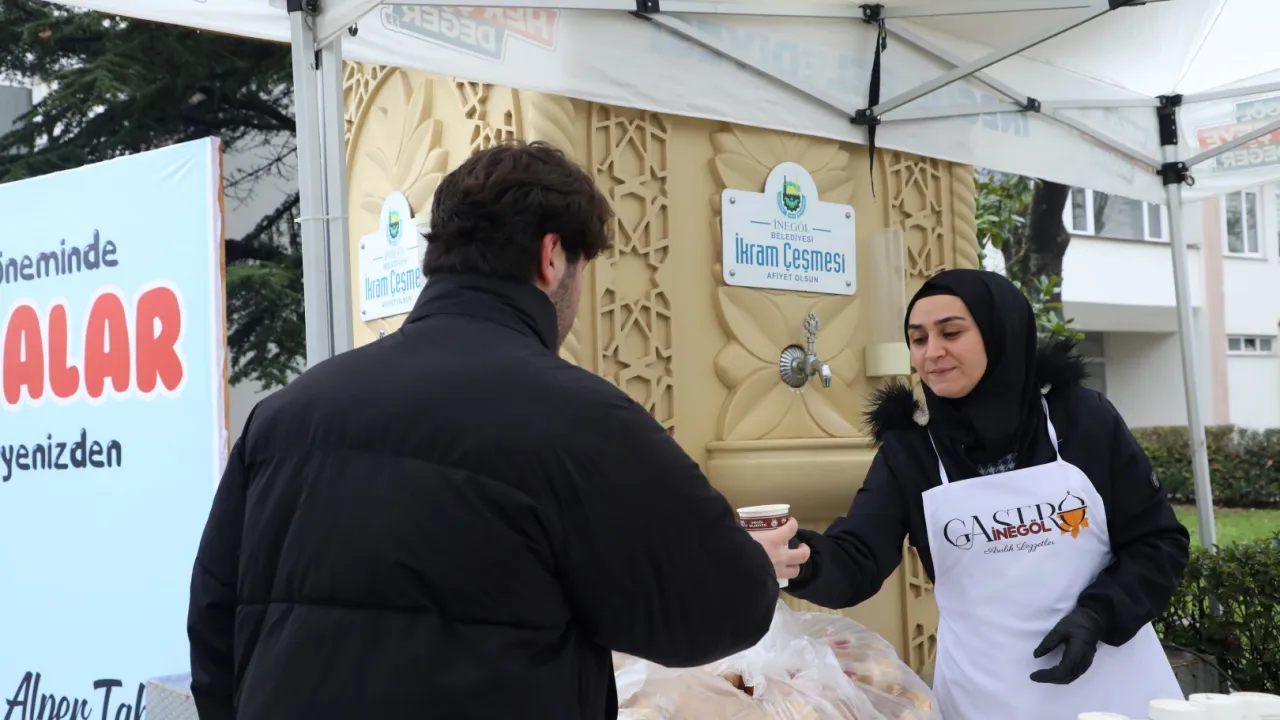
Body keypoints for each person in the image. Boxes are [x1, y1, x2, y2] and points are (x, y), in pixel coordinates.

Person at [186, 140, 782, 720]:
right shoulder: (583, 420)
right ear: (553, 258)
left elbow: (215, 622)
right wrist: (754, 564)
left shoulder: (285, 415)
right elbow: (714, 609)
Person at [750, 269, 1190, 719]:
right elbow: (858, 557)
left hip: (1113, 683)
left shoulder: (1080, 420)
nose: (932, 352)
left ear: (1000, 333)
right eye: (918, 339)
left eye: (951, 332)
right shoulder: (913, 450)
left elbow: (1157, 542)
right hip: (987, 696)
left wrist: (1099, 616)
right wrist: (797, 556)